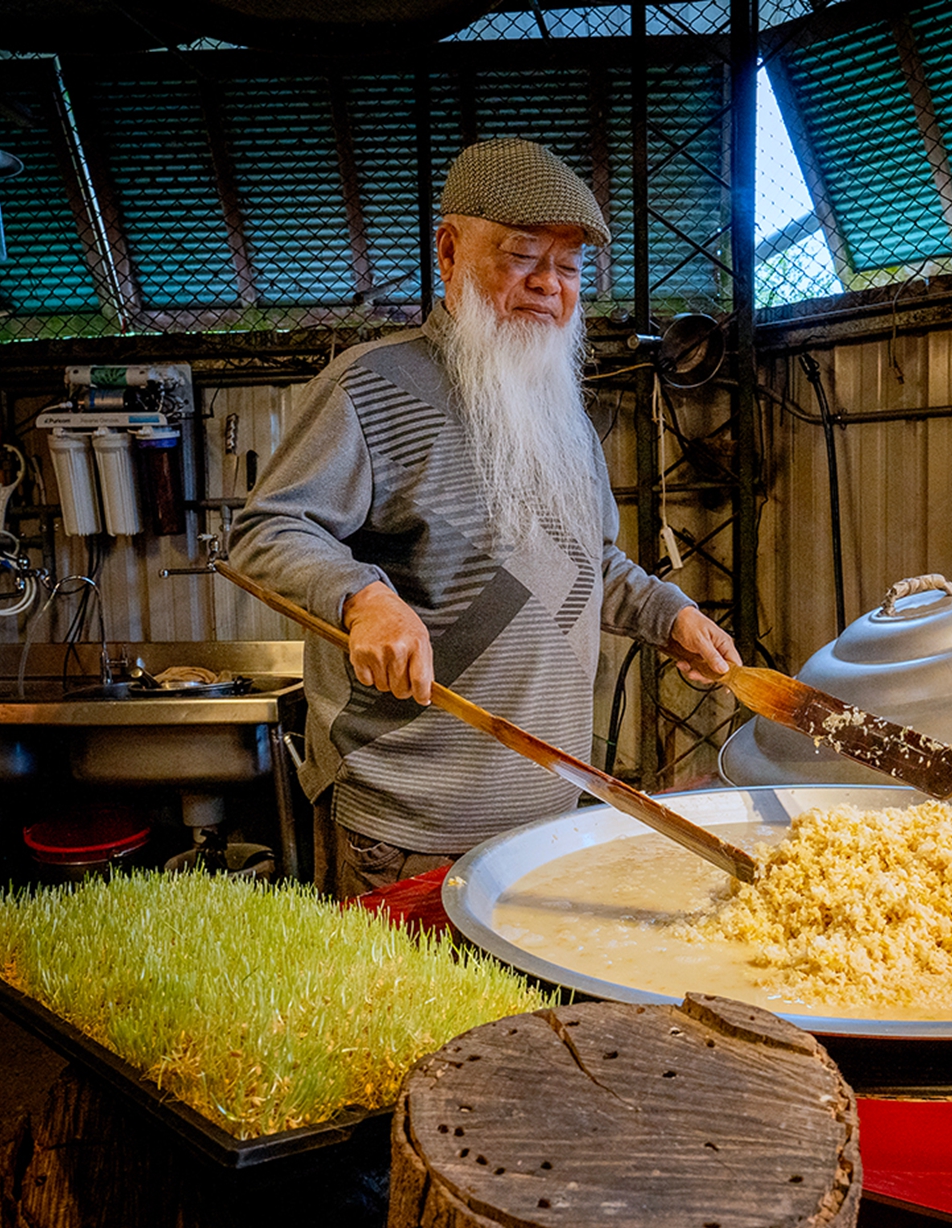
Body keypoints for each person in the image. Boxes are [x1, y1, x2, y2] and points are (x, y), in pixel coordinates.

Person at [230, 137, 739, 898]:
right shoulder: (370, 388)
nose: (548, 286)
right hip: (406, 830)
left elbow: (587, 562)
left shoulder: (565, 414)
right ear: (448, 251)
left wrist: (671, 614)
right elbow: (264, 532)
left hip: (550, 815)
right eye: (523, 257)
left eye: (568, 269)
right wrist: (366, 600)